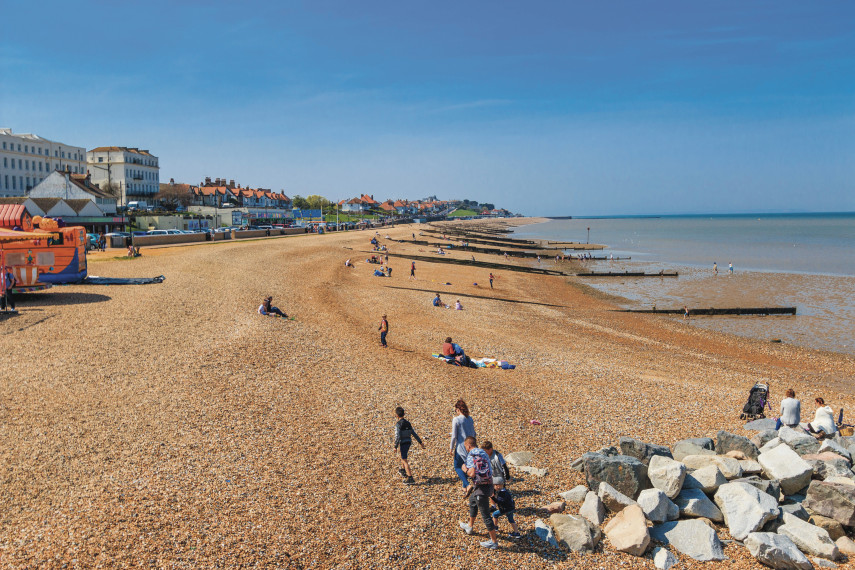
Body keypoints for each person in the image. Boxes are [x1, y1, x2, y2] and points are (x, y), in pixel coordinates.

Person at [458, 436, 499, 549]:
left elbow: (471, 473)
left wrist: (464, 469)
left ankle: (494, 542)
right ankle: (470, 526)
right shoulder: (483, 452)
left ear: (468, 446)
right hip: (488, 484)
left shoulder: (471, 455)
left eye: (466, 447)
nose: (466, 449)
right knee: (472, 501)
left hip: (481, 488)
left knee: (486, 515)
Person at [394, 407, 424, 485]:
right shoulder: (408, 423)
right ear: (404, 414)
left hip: (403, 442)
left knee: (404, 460)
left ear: (396, 415)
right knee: (402, 455)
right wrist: (420, 442)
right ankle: (403, 470)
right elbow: (413, 433)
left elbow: (398, 436)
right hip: (408, 442)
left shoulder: (398, 424)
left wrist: (395, 446)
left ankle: (410, 478)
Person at [449, 399, 476, 488]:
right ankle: (466, 488)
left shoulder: (456, 419)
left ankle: (467, 485)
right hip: (472, 445)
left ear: (458, 409)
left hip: (461, 446)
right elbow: (474, 433)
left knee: (457, 466)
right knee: (470, 465)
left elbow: (454, 436)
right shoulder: (470, 419)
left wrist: (451, 447)